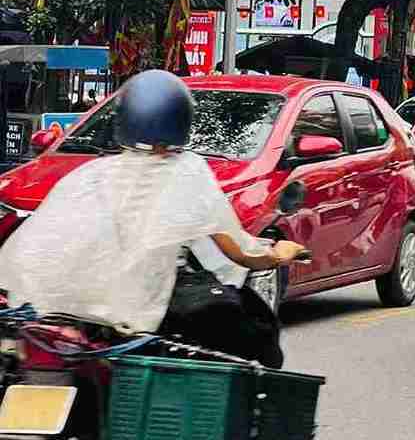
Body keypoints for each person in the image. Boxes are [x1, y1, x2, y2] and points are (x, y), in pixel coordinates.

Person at [0, 70, 305, 354]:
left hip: (54, 311)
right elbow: (240, 253)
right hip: (133, 319)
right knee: (252, 336)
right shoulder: (187, 172)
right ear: (184, 121)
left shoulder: (90, 173)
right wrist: (280, 253)